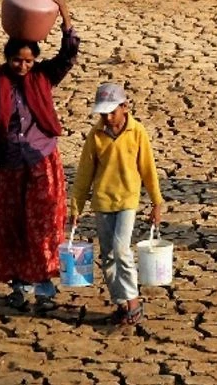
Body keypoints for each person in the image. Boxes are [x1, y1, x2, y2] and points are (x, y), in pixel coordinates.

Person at [0, 0, 78, 312]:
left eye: (28, 60)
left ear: (35, 59)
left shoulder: (42, 77)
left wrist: (65, 17)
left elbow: (68, 56)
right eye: (16, 60)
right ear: (7, 58)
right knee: (10, 227)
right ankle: (18, 288)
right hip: (6, 166)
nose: (22, 66)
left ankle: (45, 287)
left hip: (41, 162)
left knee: (45, 224)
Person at [69, 83, 163, 325]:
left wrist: (156, 202)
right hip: (102, 202)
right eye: (103, 113)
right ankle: (120, 303)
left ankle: (133, 302)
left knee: (122, 250)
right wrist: (76, 207)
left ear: (125, 107)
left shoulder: (137, 131)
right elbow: (84, 174)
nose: (108, 118)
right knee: (108, 255)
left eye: (112, 112)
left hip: (127, 200)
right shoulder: (96, 135)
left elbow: (148, 169)